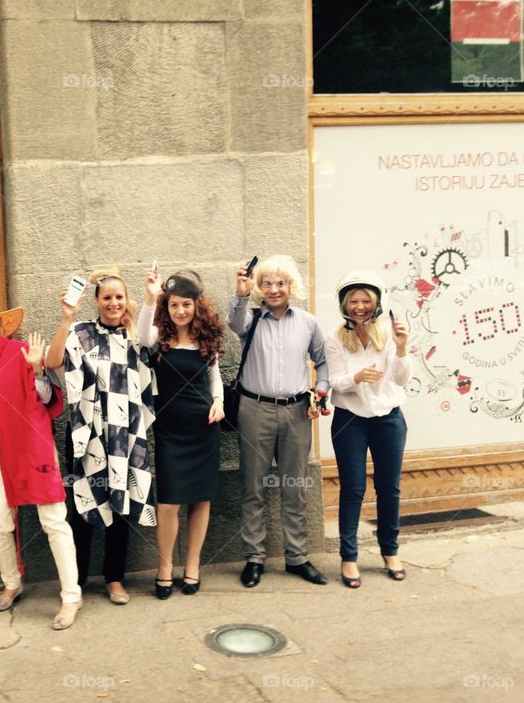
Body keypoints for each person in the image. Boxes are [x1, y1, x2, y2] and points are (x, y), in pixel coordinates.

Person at [0, 299, 82, 630]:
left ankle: (71, 596)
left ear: (0, 323)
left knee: (53, 520)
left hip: (34, 443)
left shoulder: (23, 350)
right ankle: (11, 582)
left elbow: (49, 399)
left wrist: (37, 369)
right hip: (1, 446)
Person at [47, 268, 156, 605]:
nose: (113, 303)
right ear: (96, 300)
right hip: (86, 433)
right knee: (82, 504)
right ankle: (75, 581)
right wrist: (66, 317)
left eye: (119, 297)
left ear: (127, 300)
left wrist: (151, 298)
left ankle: (114, 578)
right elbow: (52, 362)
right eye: (107, 297)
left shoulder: (134, 336)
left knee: (120, 505)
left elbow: (152, 349)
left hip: (124, 434)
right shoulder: (80, 333)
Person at [226, 255, 330, 588]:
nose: (274, 289)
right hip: (254, 410)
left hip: (297, 412)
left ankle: (297, 558)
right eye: (267, 282)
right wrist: (241, 292)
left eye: (280, 282)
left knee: (294, 487)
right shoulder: (251, 319)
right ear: (260, 287)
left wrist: (321, 390)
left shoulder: (308, 322)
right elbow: (233, 322)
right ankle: (254, 558)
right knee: (253, 487)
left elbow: (323, 363)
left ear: (290, 286)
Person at [139, 269, 225, 598]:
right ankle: (164, 567)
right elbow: (141, 334)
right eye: (174, 305)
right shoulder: (158, 336)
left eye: (186, 305)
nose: (180, 311)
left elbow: (214, 377)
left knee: (201, 500)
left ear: (196, 306)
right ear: (167, 306)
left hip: (204, 427)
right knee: (168, 504)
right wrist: (149, 296)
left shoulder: (207, 338)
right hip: (170, 430)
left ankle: (192, 565)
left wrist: (218, 401)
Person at [325, 271, 411, 588]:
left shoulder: (388, 334)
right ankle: (349, 558)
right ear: (344, 305)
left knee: (389, 487)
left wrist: (402, 348)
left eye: (366, 301)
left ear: (376, 303)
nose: (359, 307)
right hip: (350, 419)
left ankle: (390, 551)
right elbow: (335, 382)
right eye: (353, 301)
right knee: (354, 488)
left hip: (389, 418)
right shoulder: (335, 338)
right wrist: (356, 378)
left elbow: (401, 380)